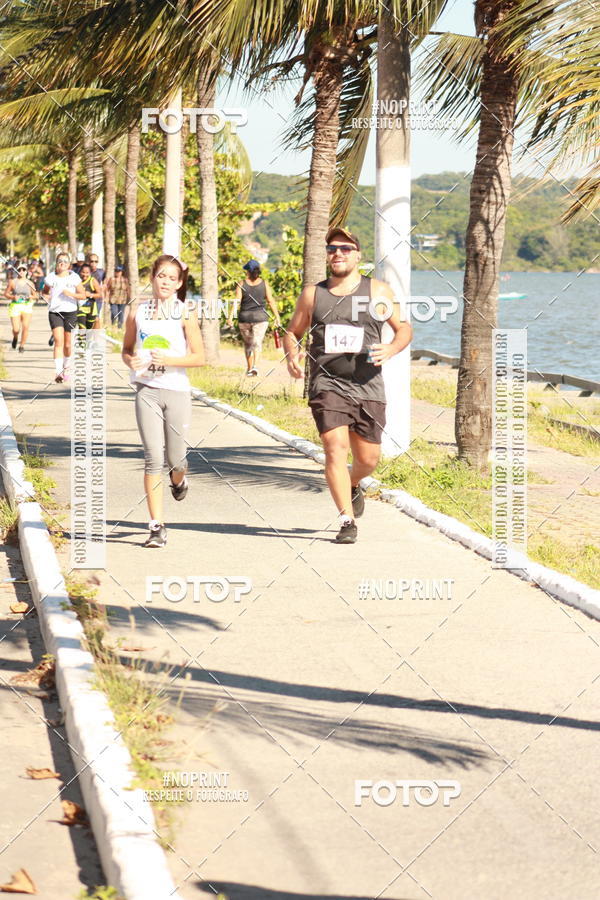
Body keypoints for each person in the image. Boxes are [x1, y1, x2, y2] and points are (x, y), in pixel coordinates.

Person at [283, 227, 412, 544]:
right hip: (327, 384)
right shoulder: (313, 294)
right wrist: (292, 355)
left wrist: (392, 348)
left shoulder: (377, 292)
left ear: (357, 256)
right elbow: (292, 332)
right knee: (334, 450)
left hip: (368, 386)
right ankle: (346, 521)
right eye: (331, 249)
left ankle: (353, 483)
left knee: (368, 461)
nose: (337, 253)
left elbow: (404, 328)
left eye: (344, 248)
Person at [122, 254, 204, 548]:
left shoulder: (185, 313)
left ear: (179, 283)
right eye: (161, 276)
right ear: (152, 278)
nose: (166, 281)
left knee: (176, 459)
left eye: (172, 277)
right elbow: (126, 349)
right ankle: (156, 526)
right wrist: (131, 362)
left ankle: (179, 480)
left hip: (177, 391)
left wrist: (170, 359)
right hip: (147, 390)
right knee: (153, 457)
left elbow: (200, 357)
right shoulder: (137, 312)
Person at [228, 259, 281, 376]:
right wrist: (277, 317)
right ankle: (253, 367)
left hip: (245, 319)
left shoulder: (241, 284)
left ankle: (251, 368)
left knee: (248, 344)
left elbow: (236, 301)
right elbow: (271, 301)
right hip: (260, 319)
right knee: (256, 343)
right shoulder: (264, 283)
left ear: (247, 271)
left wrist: (230, 317)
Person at [43, 251, 86, 383]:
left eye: (65, 261)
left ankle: (66, 367)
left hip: (70, 313)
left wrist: (70, 294)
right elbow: (45, 292)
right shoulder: (50, 278)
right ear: (56, 264)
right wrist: (46, 297)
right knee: (58, 341)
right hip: (55, 312)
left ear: (69, 264)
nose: (62, 263)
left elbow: (83, 295)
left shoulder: (74, 278)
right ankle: (58, 372)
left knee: (67, 344)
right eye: (60, 261)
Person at [5, 264, 37, 352]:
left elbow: (36, 295)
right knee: (16, 329)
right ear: (17, 271)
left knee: (25, 327)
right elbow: (6, 294)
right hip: (15, 306)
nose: (22, 272)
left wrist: (31, 297)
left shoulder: (30, 283)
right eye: (20, 270)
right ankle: (15, 337)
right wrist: (13, 297)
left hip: (27, 306)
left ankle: (22, 346)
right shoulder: (13, 282)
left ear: (27, 272)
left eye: (24, 270)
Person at [76, 263, 102, 330]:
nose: (85, 274)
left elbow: (100, 294)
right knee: (82, 327)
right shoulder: (76, 281)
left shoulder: (92, 281)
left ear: (90, 273)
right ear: (80, 272)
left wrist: (90, 295)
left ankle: (88, 339)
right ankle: (82, 340)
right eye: (83, 272)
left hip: (91, 308)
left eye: (87, 272)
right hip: (80, 308)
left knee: (89, 328)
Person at [87, 253, 106, 317]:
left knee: (96, 318)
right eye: (92, 261)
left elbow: (105, 284)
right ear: (88, 262)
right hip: (86, 299)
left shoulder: (101, 272)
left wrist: (102, 289)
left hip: (97, 300)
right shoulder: (84, 271)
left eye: (96, 261)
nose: (94, 263)